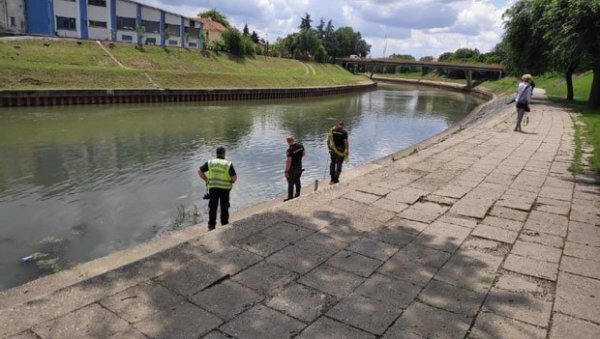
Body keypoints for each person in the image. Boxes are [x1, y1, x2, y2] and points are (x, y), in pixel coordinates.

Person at [198, 146, 237, 231]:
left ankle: (211, 226)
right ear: (224, 154)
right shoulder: (228, 164)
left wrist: (206, 179)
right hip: (225, 190)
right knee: (224, 207)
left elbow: (200, 171)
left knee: (213, 207)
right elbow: (234, 178)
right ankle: (224, 225)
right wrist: (231, 181)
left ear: (216, 154)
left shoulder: (210, 162)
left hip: (213, 188)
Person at [284, 136, 305, 201]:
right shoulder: (301, 146)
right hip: (299, 166)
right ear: (294, 140)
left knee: (290, 183)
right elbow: (303, 154)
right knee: (297, 180)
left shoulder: (289, 150)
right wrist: (297, 158)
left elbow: (289, 161)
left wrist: (286, 171)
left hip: (292, 168)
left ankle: (290, 198)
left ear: (288, 142)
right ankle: (297, 194)